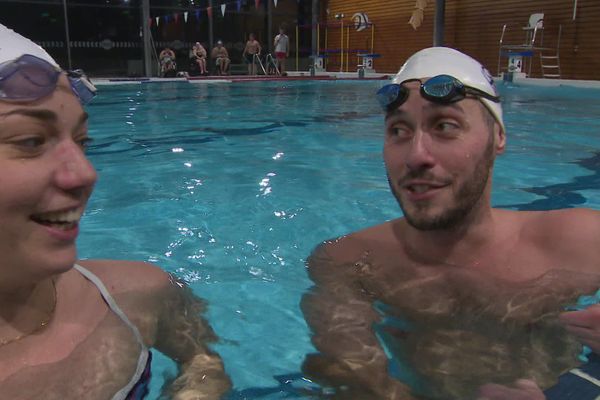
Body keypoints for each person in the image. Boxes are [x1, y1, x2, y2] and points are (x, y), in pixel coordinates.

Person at [301, 47, 600, 400]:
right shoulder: (347, 262)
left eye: (445, 126)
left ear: (498, 137)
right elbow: (355, 382)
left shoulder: (583, 240)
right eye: (399, 130)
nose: (416, 156)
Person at [0, 24, 231, 400]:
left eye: (81, 141)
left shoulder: (140, 297)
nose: (87, 174)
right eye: (31, 141)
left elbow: (202, 363)